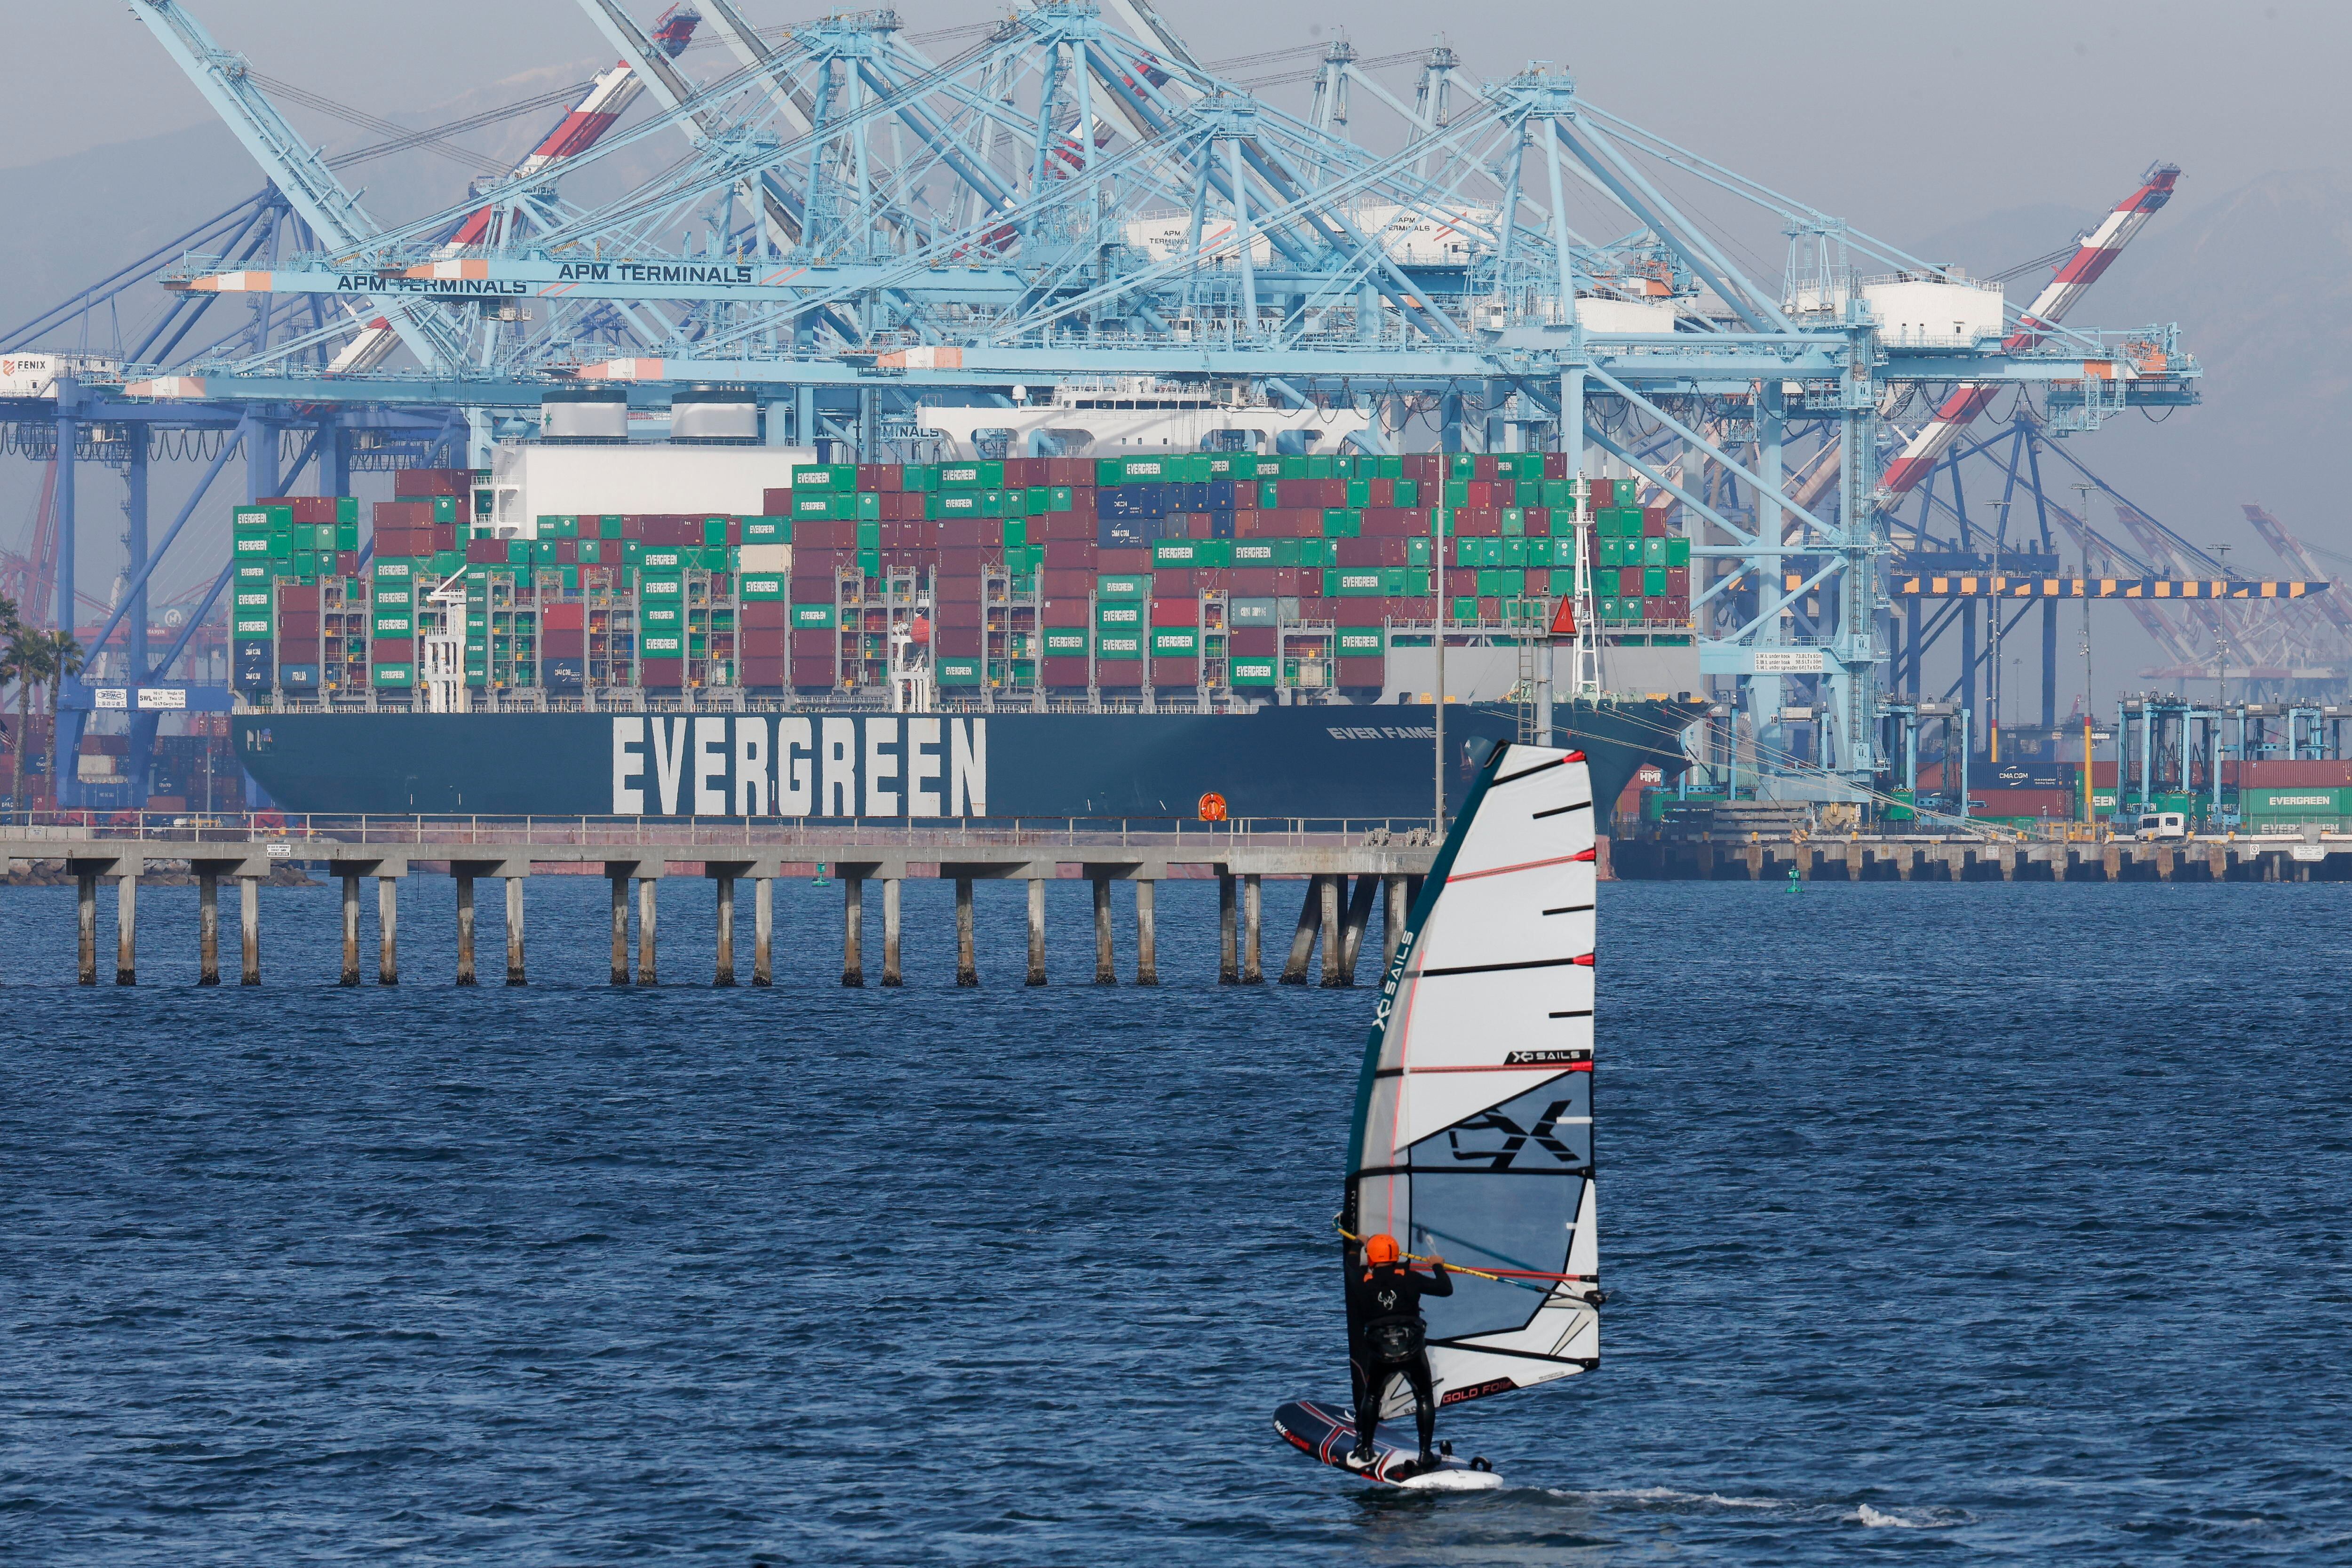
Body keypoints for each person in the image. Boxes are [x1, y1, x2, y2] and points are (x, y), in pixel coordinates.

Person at [1345, 1233, 1453, 1472]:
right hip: (1412, 1350)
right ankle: (1425, 1455)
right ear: (1396, 1257)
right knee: (1424, 1396)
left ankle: (1365, 1449)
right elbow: (1445, 1289)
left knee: (1372, 1396)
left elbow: (1351, 1263)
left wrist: (1358, 1243)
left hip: (1380, 1351)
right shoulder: (1410, 1278)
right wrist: (1437, 1266)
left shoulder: (1363, 1280)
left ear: (1371, 1259)